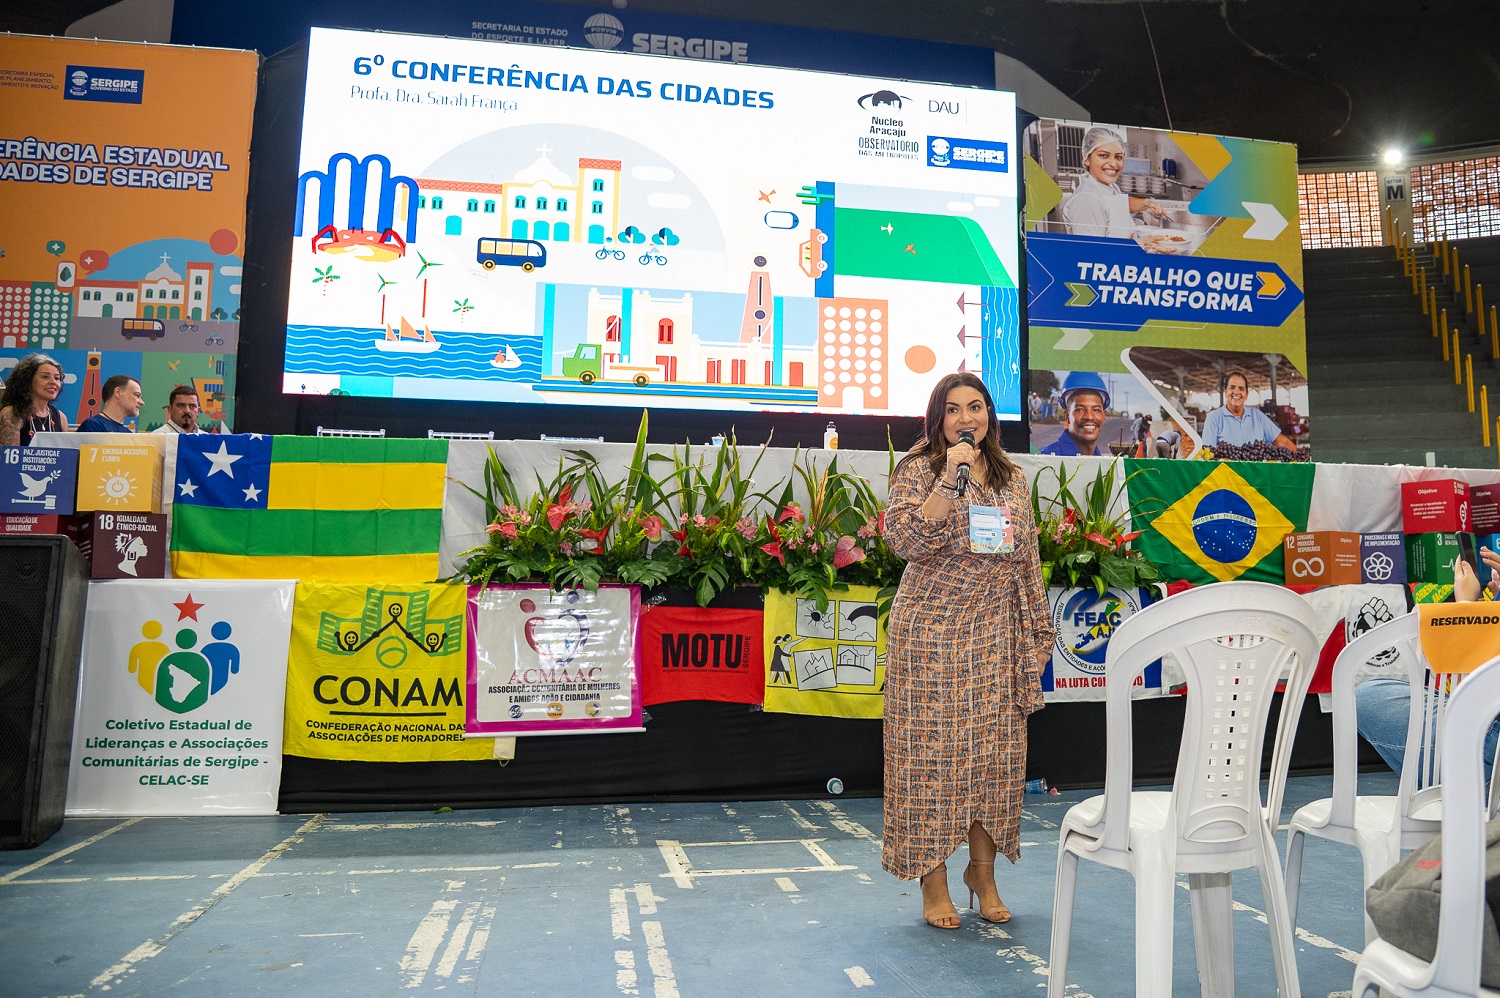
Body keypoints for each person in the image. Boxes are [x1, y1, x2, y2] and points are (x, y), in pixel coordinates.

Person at [882, 371, 1054, 930]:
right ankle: (933, 880)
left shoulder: (1012, 479)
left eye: (975, 407)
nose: (965, 419)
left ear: (989, 416)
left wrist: (1037, 633)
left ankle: (982, 873)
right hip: (930, 635)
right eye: (953, 410)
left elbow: (1025, 558)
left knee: (994, 758)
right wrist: (949, 482)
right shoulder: (919, 469)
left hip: (993, 636)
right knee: (929, 760)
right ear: (938, 420)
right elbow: (905, 541)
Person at [1355, 549, 1500, 781]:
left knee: (1364, 698)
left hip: (1489, 734)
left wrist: (1466, 608)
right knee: (1372, 694)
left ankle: (1465, 787)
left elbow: (1473, 689)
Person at [1061, 125, 1166, 238]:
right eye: (1104, 155)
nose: (1113, 163)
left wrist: (1145, 204)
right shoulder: (1086, 199)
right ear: (1086, 158)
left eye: (1118, 157)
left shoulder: (1110, 187)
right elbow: (1092, 252)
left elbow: (1113, 207)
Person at [1200, 370, 1295, 453]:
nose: (1236, 392)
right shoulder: (1214, 418)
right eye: (1232, 387)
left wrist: (1302, 459)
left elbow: (1282, 442)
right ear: (1225, 392)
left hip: (1256, 473)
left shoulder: (1257, 416)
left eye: (1241, 389)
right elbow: (1209, 453)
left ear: (1246, 394)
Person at [0, 353, 70, 446]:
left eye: (57, 378)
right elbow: (8, 458)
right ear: (27, 380)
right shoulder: (12, 413)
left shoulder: (61, 418)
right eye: (45, 377)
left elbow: (67, 457)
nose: (53, 382)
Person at [1039, 371, 1109, 456]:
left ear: (1103, 415)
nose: (1089, 417)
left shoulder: (1102, 463)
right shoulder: (1045, 459)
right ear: (1067, 415)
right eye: (1080, 410)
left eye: (1096, 410)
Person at [77, 375, 143, 433]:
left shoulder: (128, 434)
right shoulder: (93, 425)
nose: (142, 402)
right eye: (137, 395)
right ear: (118, 392)